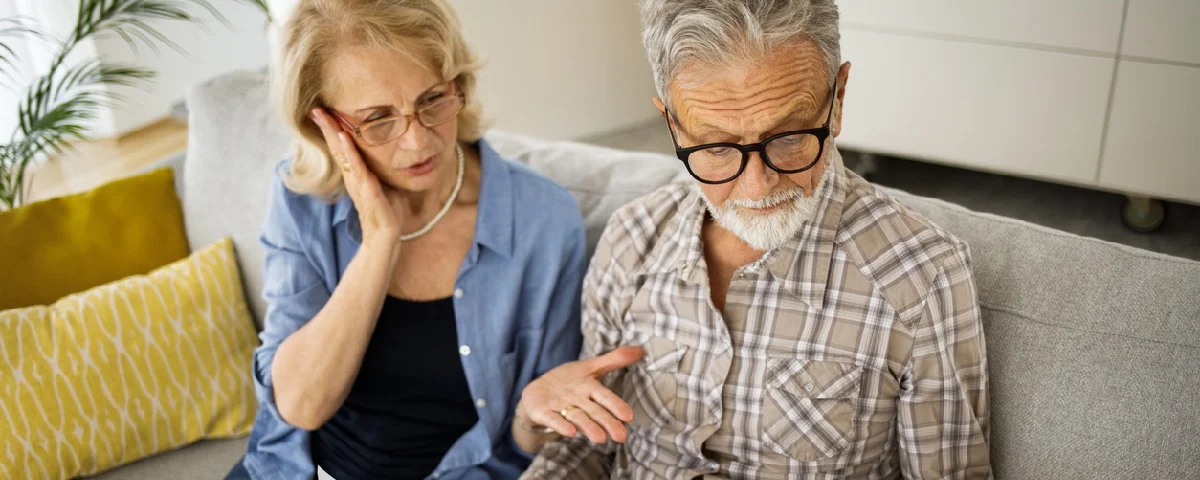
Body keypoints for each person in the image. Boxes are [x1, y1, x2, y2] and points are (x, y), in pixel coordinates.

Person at [522, 0, 991, 478]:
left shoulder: (924, 276)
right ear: (671, 125)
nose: (756, 187)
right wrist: (534, 416)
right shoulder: (632, 236)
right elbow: (584, 448)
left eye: (788, 138)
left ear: (838, 99)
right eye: (717, 147)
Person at [224, 1, 641, 478]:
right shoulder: (303, 200)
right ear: (325, 126)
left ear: (457, 83)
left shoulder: (542, 221)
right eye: (378, 119)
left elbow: (529, 437)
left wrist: (535, 416)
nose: (418, 142)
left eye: (431, 100)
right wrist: (380, 242)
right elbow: (300, 406)